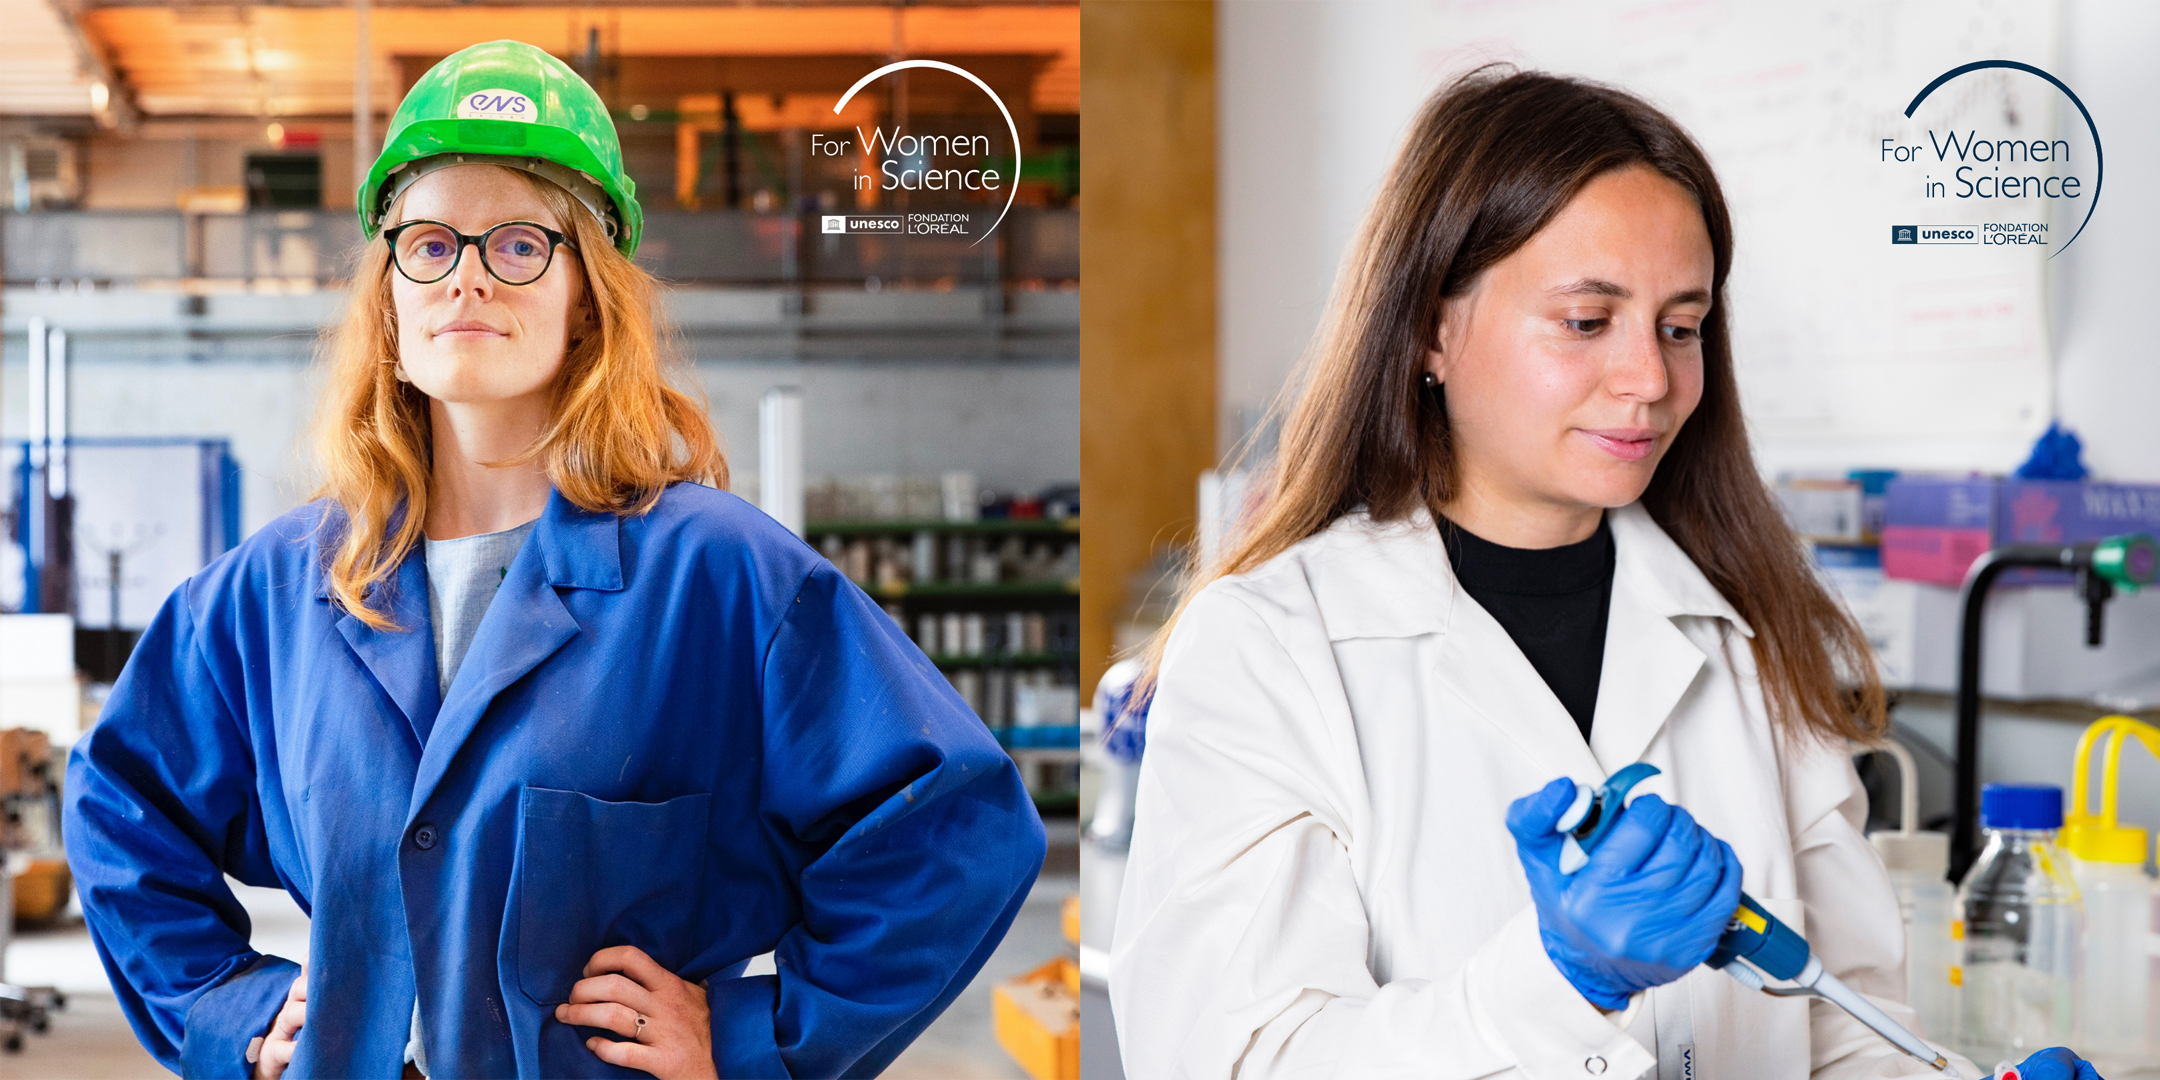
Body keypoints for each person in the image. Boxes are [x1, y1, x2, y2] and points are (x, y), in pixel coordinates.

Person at [65, 40, 1045, 1080]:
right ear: (390, 295)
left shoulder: (719, 579)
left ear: (587, 294)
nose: (468, 277)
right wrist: (233, 1009)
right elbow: (122, 806)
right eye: (431, 244)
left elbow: (956, 832)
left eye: (519, 244)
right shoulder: (276, 593)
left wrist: (753, 1034)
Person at [1108, 68, 2104, 1079]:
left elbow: (1844, 1030)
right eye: (1588, 321)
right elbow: (1227, 1060)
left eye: (1681, 326)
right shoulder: (1270, 647)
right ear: (1430, 331)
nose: (1653, 380)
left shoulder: (1754, 629)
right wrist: (1558, 981)